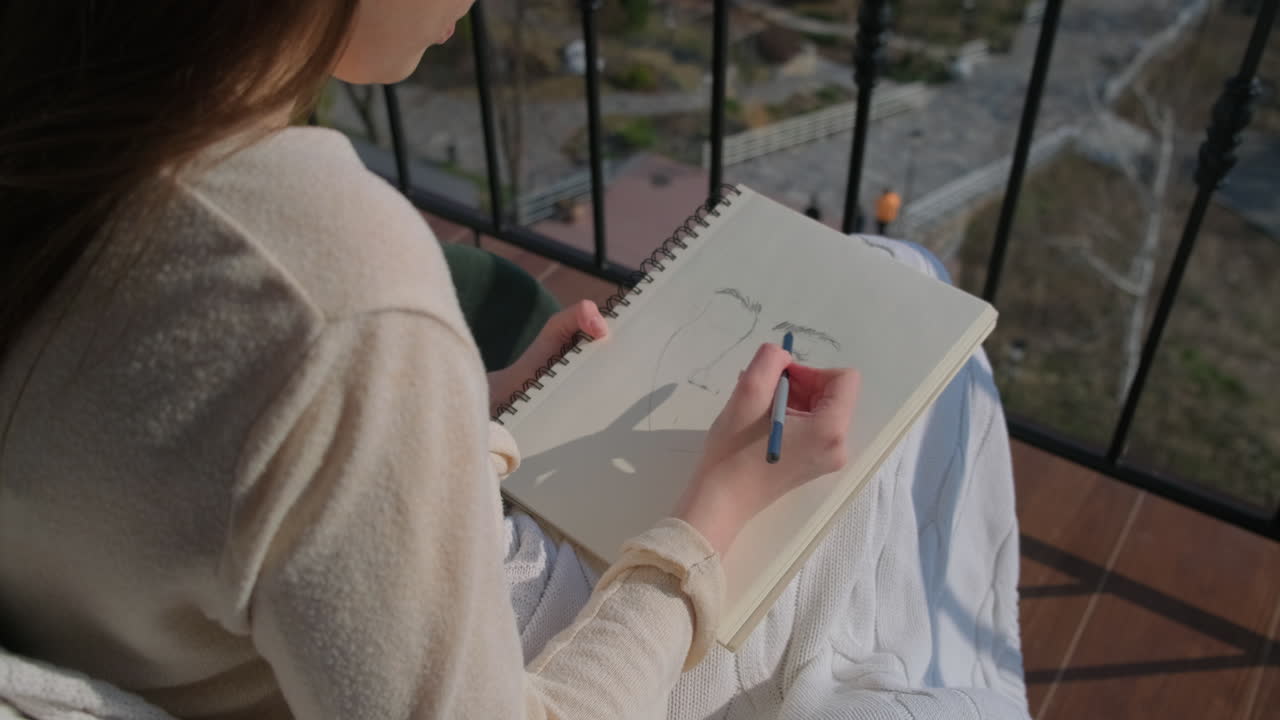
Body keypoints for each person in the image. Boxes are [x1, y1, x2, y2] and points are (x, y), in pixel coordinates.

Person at [0, 4, 1029, 720]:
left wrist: (436, 418)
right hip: (535, 645)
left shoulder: (71, 131)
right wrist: (709, 525)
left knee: (898, 285)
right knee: (915, 311)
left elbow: (197, 473)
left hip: (271, 634)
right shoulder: (322, 280)